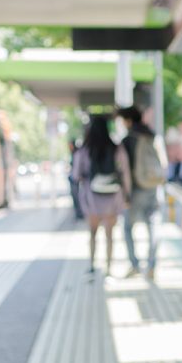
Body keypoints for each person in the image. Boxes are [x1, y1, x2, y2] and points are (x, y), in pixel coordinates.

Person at [72, 116, 130, 276]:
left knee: (92, 233)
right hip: (113, 196)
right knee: (110, 235)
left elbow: (75, 175)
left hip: (91, 198)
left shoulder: (84, 150)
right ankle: (109, 268)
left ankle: (92, 265)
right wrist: (127, 195)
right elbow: (125, 173)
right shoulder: (116, 148)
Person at [116, 105, 162, 281]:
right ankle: (151, 267)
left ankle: (135, 265)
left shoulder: (129, 139)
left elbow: (125, 171)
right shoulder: (151, 135)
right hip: (153, 185)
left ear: (128, 121)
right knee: (153, 226)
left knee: (127, 227)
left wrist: (126, 195)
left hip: (136, 189)